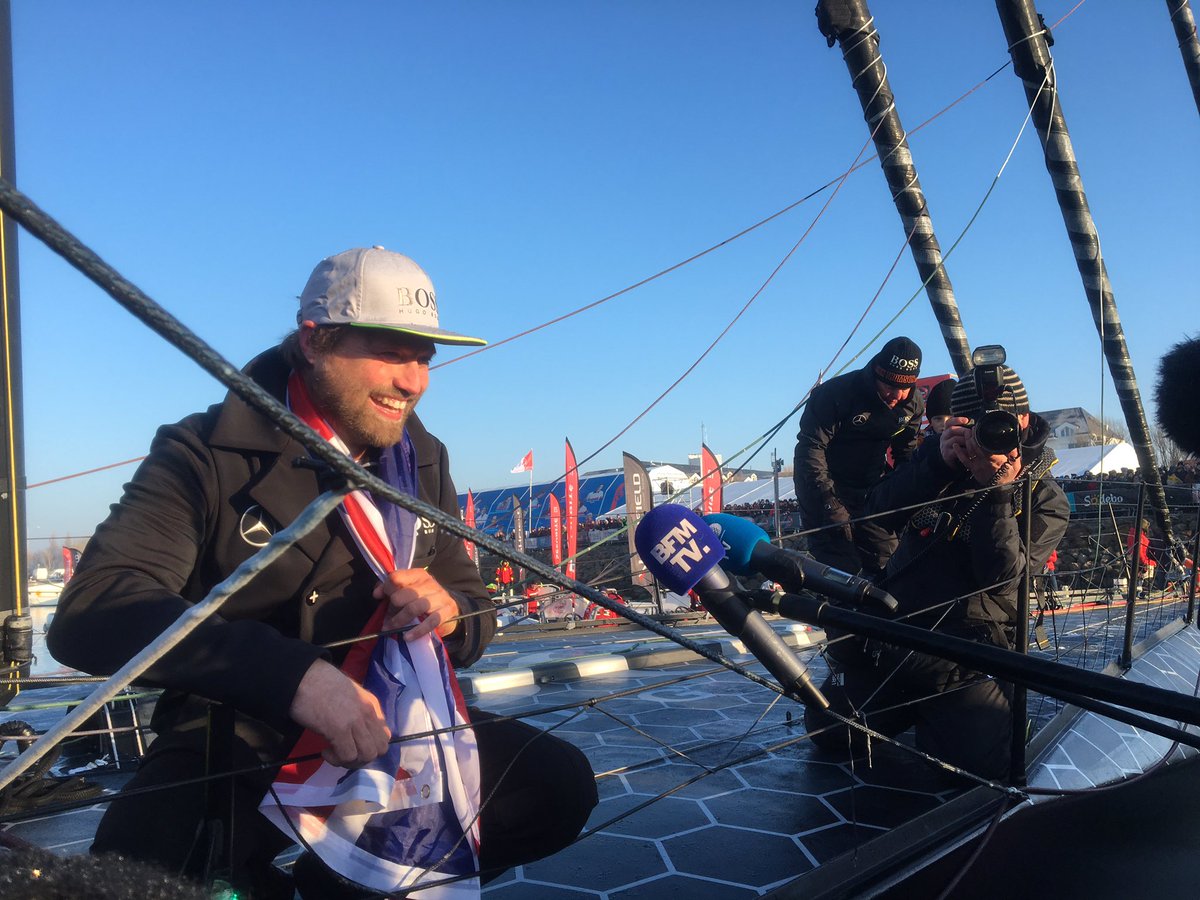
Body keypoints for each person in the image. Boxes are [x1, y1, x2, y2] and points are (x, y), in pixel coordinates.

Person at [48, 247, 597, 897]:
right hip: (239, 724)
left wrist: (450, 612)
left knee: (556, 787)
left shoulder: (423, 457)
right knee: (135, 876)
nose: (414, 382)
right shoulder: (203, 451)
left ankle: (342, 884)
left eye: (424, 357)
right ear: (314, 342)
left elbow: (472, 601)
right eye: (390, 352)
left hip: (396, 713)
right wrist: (295, 677)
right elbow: (94, 609)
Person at [804, 359, 1069, 780]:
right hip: (899, 633)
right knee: (827, 727)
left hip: (966, 651)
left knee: (977, 765)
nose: (986, 435)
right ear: (957, 424)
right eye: (975, 424)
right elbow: (874, 517)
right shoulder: (936, 460)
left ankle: (989, 719)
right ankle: (925, 712)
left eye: (1001, 421)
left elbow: (1003, 582)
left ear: (1023, 420)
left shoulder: (1044, 496)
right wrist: (934, 468)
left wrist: (997, 495)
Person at [794, 336, 925, 576]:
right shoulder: (835, 393)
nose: (897, 395)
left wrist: (904, 494)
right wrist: (828, 500)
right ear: (877, 372)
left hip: (870, 485)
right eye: (890, 386)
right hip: (822, 482)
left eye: (904, 388)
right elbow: (810, 449)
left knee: (889, 562)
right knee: (841, 567)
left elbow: (905, 454)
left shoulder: (912, 404)